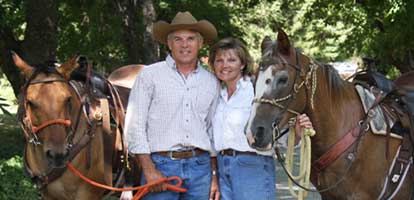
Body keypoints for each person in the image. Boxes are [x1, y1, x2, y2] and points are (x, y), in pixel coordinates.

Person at [124, 11, 220, 200]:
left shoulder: (212, 81)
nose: (185, 45)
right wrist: (149, 169)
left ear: (200, 43)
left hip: (201, 168)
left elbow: (212, 131)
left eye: (191, 39)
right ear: (169, 44)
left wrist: (214, 176)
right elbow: (135, 125)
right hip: (160, 165)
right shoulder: (150, 76)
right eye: (178, 39)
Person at [209, 37, 315, 200]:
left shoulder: (256, 91)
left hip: (252, 166)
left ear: (242, 64)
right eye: (219, 60)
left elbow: (281, 136)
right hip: (223, 167)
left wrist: (297, 132)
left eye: (231, 60)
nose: (225, 65)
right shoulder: (217, 95)